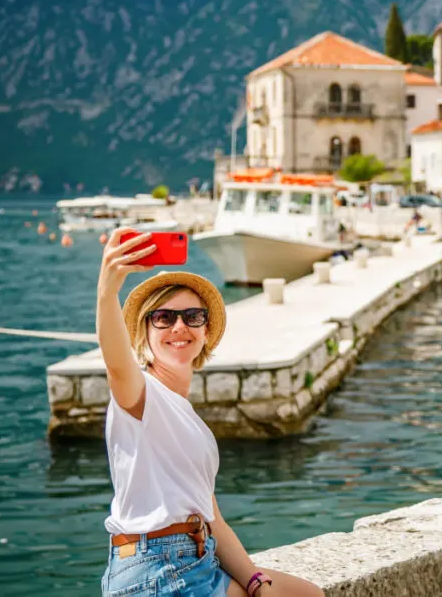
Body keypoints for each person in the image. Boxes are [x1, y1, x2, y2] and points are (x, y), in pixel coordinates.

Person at [96, 228, 324, 597]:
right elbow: (116, 364)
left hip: (196, 558)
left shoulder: (188, 418)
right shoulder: (140, 395)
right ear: (145, 331)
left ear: (205, 331)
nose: (179, 327)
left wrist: (254, 582)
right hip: (155, 569)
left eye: (192, 317)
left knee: (306, 594)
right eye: (164, 318)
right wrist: (107, 291)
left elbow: (211, 517)